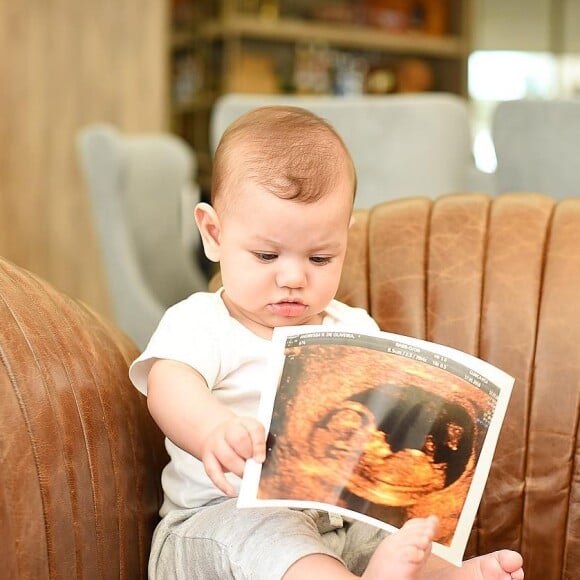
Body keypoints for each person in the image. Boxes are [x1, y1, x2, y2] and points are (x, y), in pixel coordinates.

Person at [129, 106, 524, 580]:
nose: (293, 278)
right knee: (278, 539)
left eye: (320, 257)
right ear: (213, 234)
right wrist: (213, 429)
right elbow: (169, 384)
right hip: (218, 523)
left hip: (328, 523)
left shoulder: (353, 328)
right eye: (266, 254)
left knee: (391, 535)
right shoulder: (201, 320)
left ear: (344, 240)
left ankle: (443, 575)